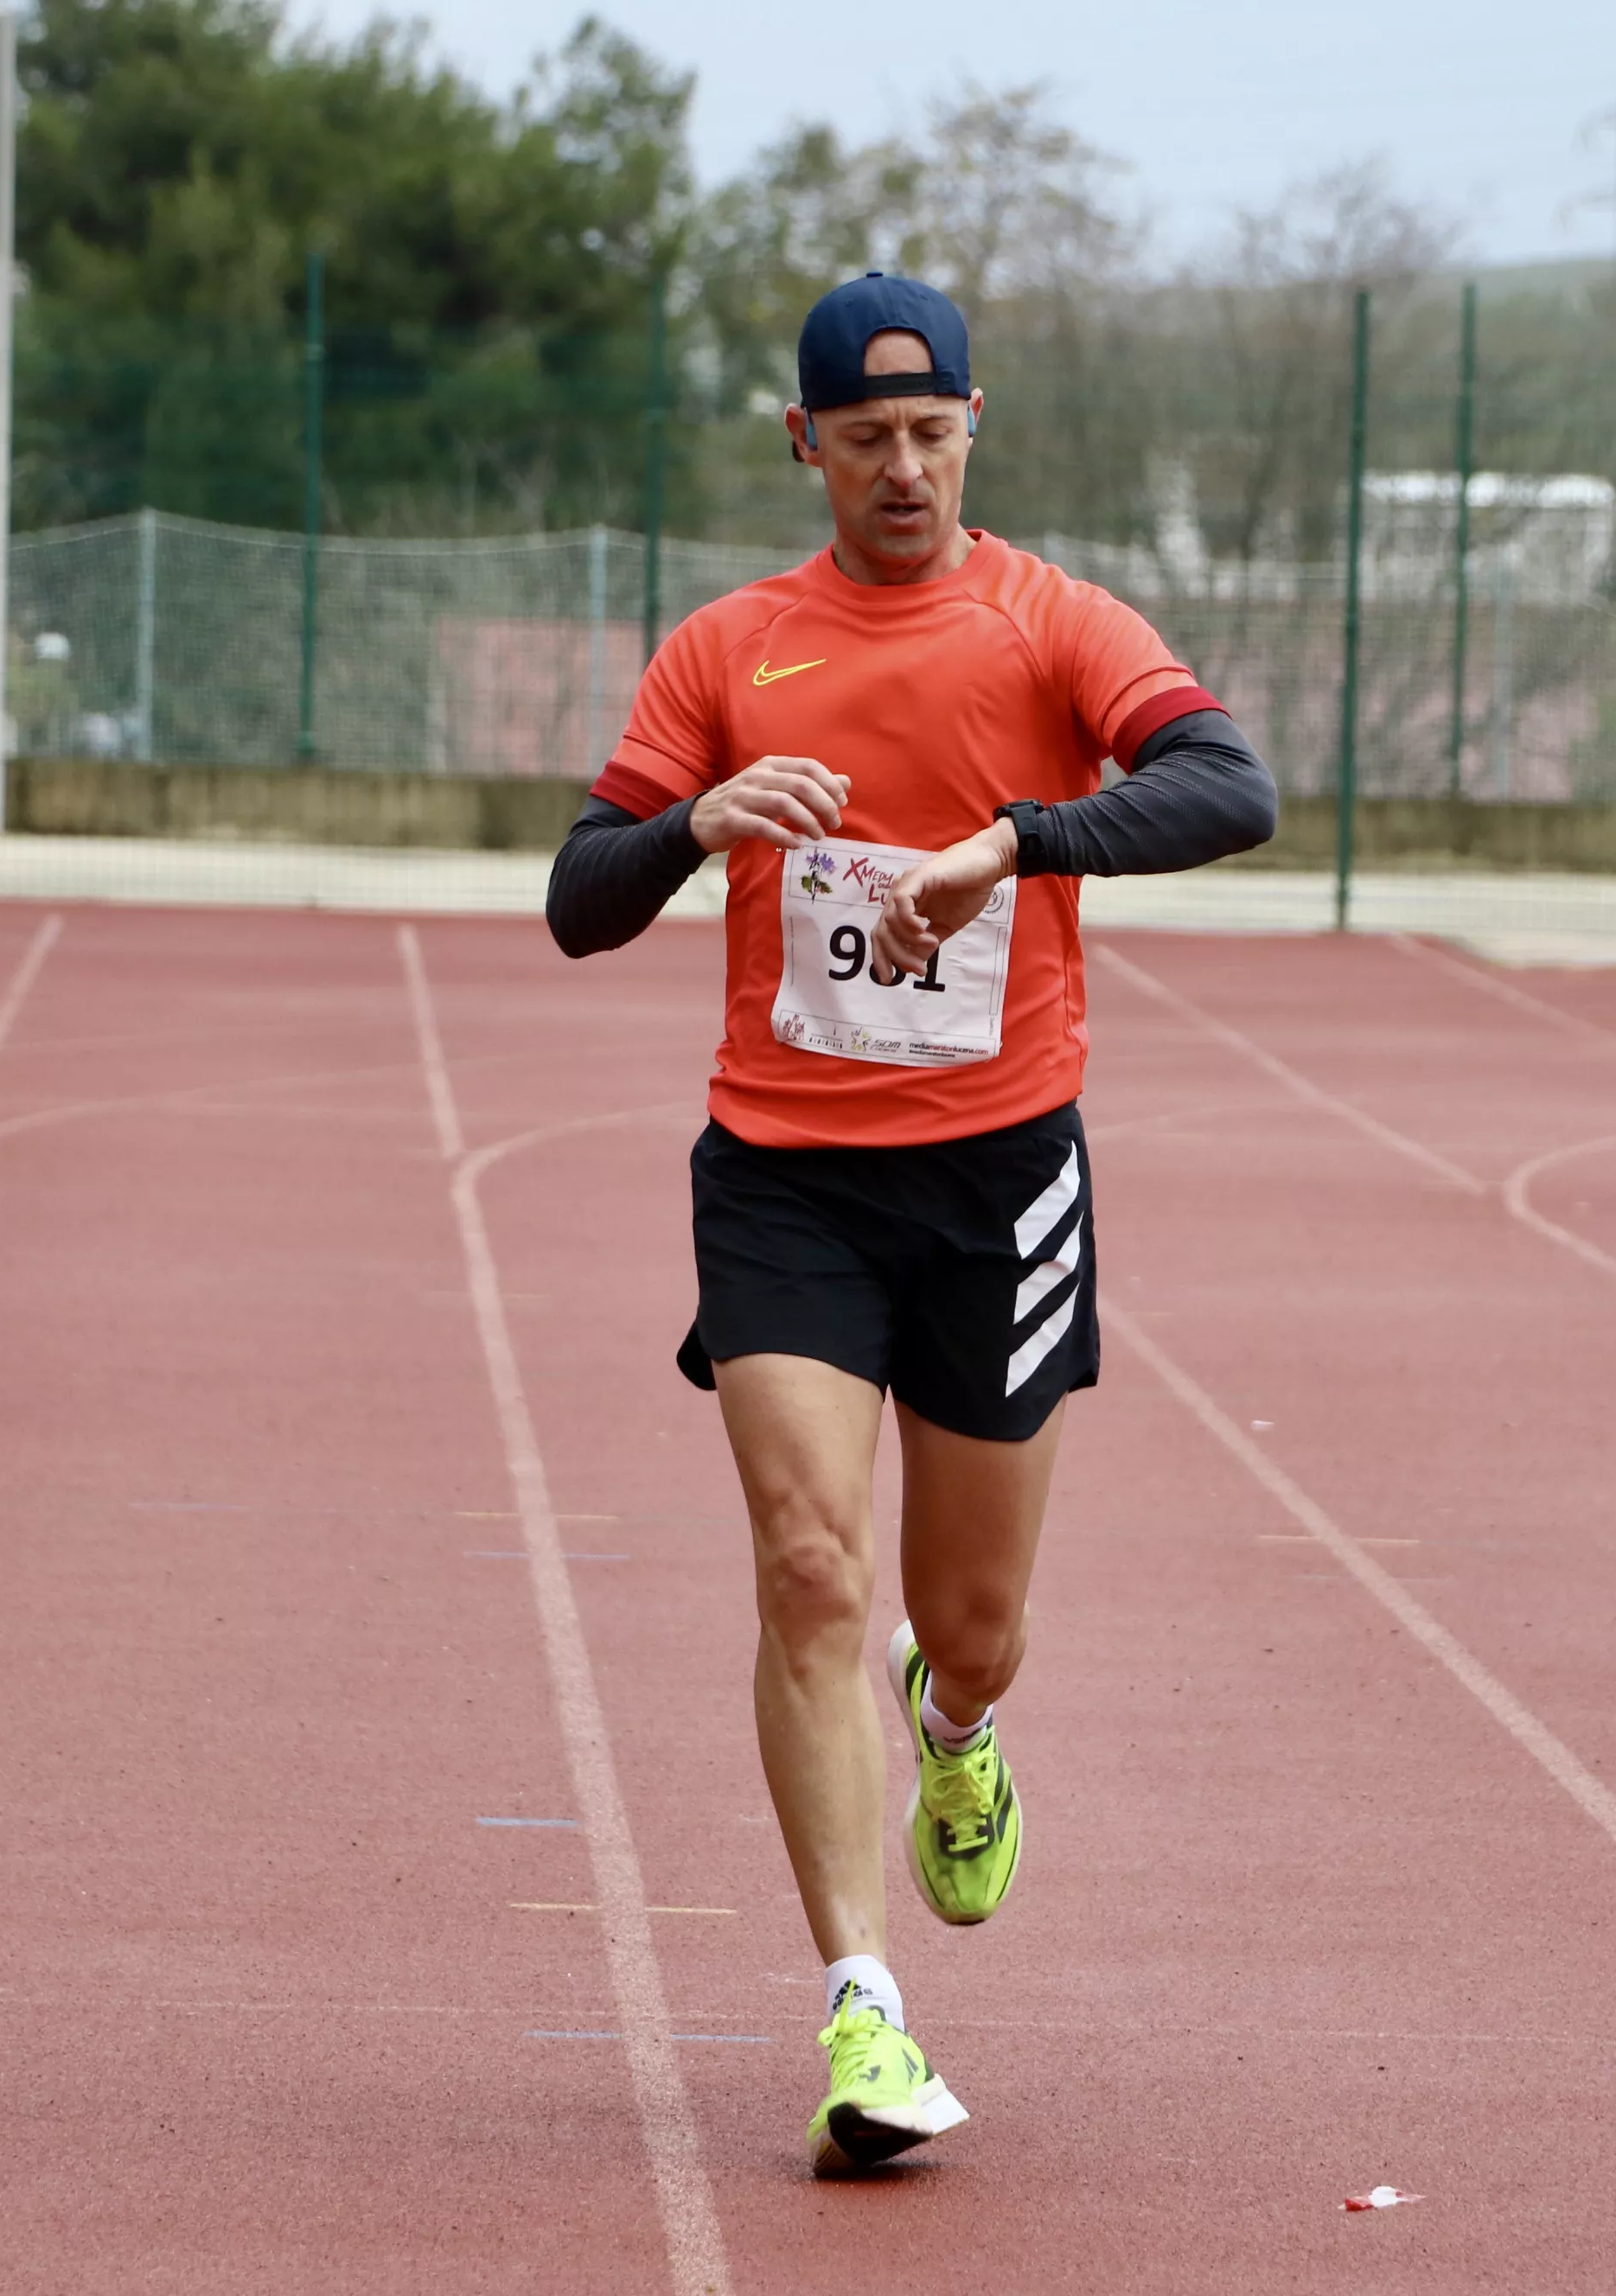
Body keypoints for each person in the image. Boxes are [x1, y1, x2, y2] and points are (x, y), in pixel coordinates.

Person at [540, 274, 1276, 2174]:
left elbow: (1229, 785)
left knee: (973, 1618)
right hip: (782, 1173)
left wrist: (1019, 840)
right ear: (805, 443)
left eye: (932, 432)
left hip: (1000, 1176)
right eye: (864, 438)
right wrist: (701, 824)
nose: (903, 467)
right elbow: (575, 893)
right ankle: (861, 2001)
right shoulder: (731, 646)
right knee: (804, 1560)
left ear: (975, 427)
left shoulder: (1052, 622)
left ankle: (954, 1727)